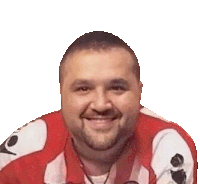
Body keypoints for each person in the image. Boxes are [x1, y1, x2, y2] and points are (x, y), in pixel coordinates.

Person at [0, 31, 197, 184]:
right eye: (83, 88)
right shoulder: (20, 154)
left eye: (117, 88)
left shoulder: (168, 147)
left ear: (139, 93)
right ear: (62, 94)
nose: (101, 104)